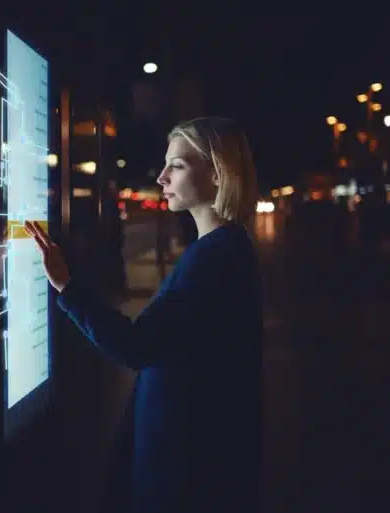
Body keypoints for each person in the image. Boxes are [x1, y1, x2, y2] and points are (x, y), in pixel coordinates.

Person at [24, 116, 263, 513]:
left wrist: (67, 286)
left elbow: (136, 345)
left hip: (186, 464)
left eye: (178, 165)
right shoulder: (226, 249)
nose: (163, 178)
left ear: (219, 173)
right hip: (199, 452)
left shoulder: (214, 257)